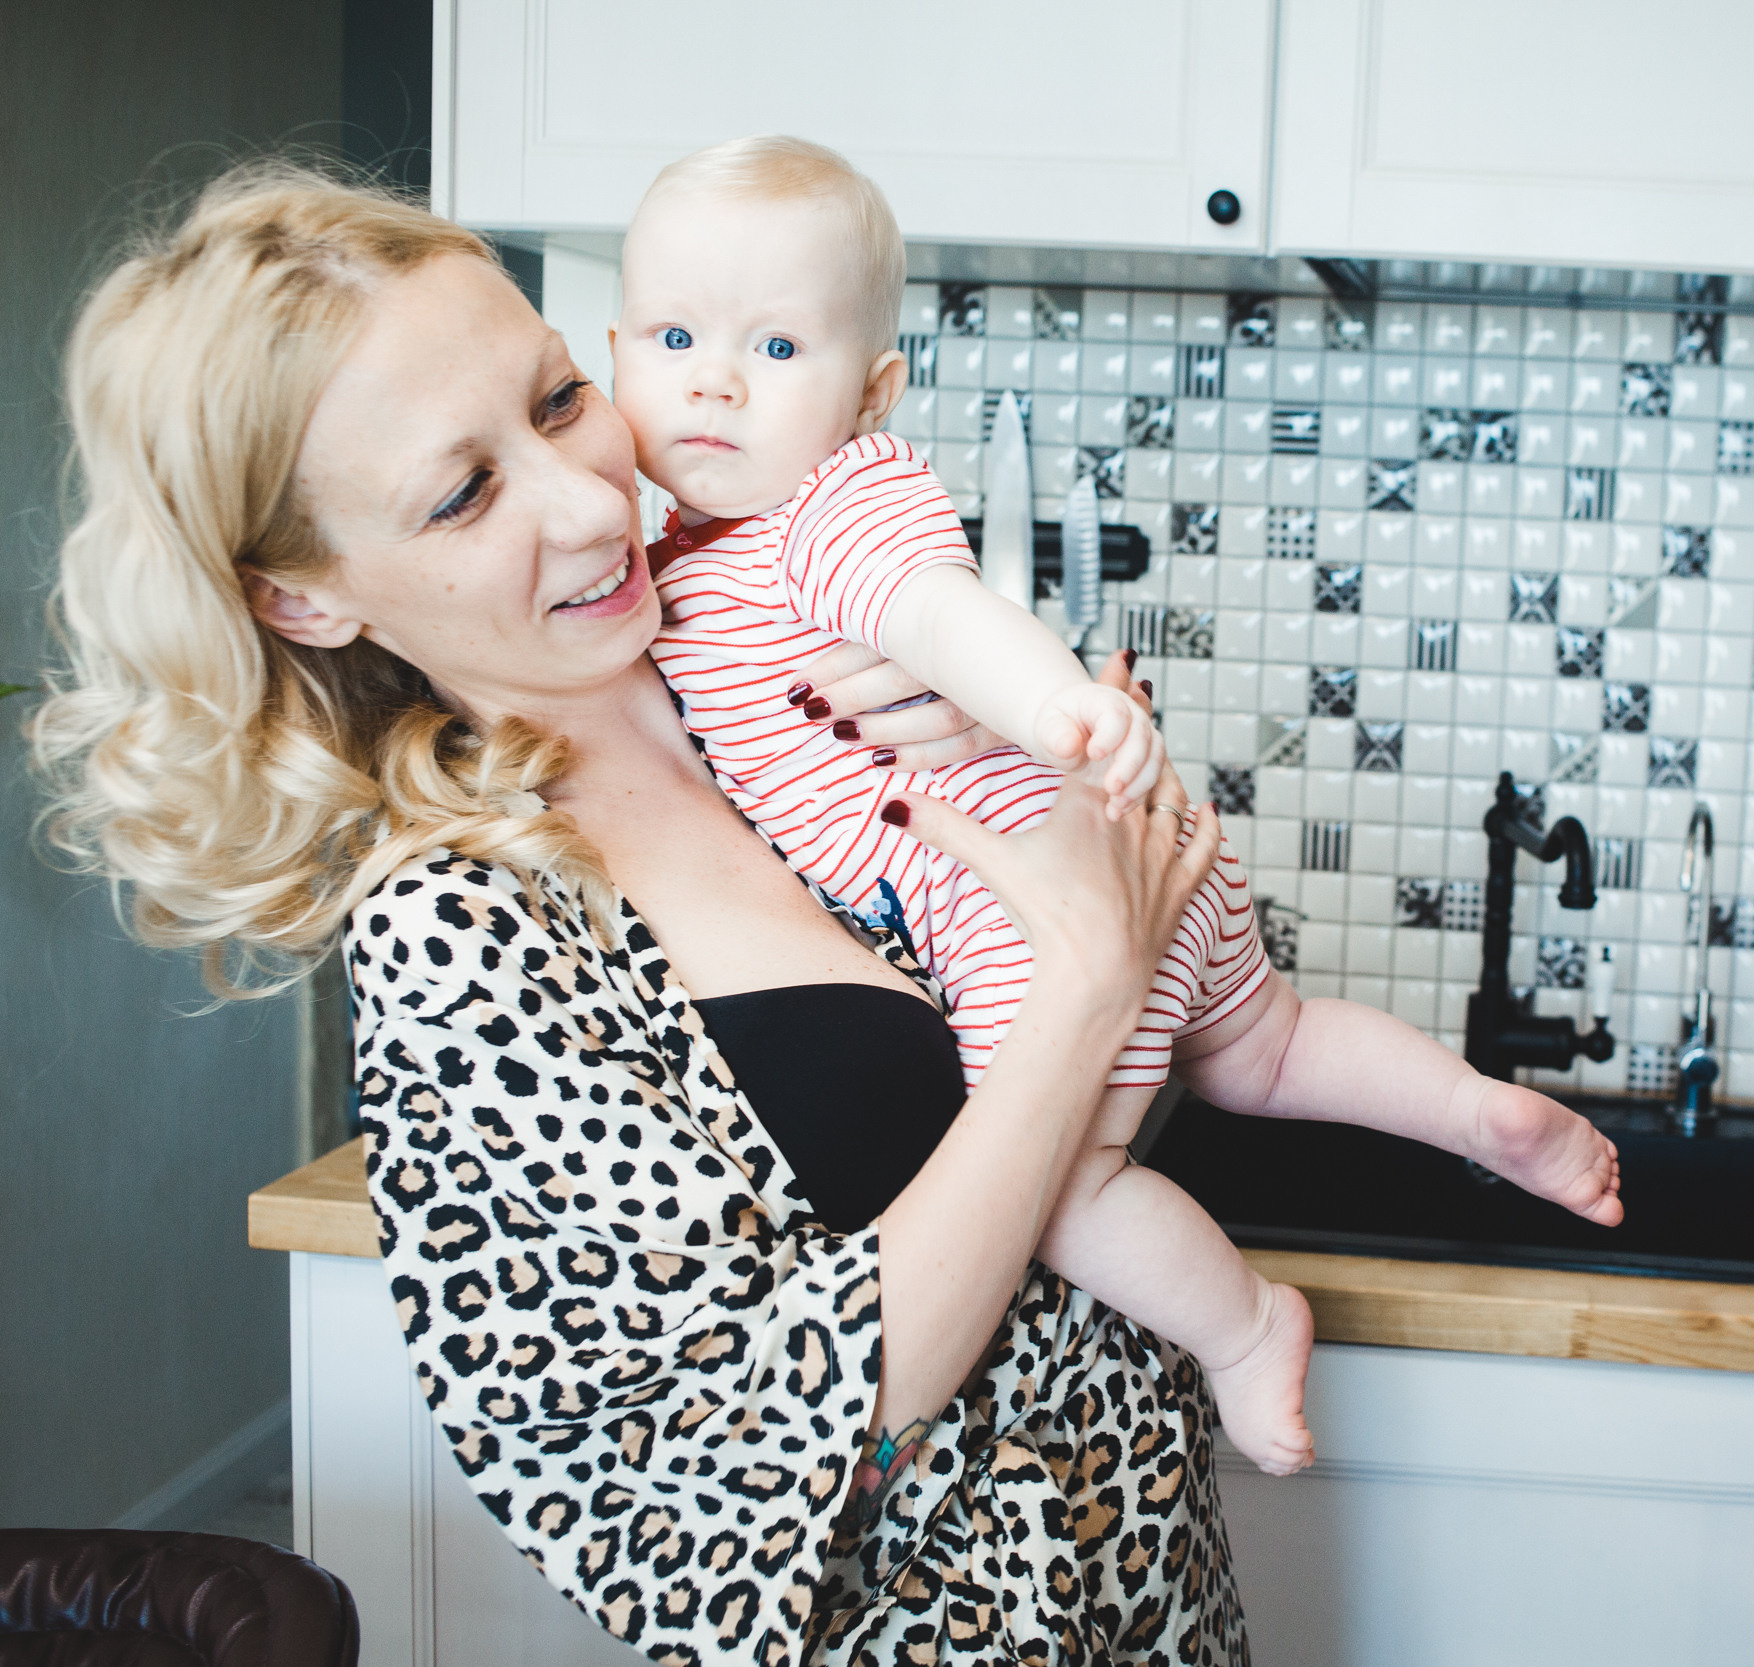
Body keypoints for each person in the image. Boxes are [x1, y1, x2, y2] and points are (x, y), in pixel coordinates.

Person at [36, 162, 1251, 1665]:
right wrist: (1080, 989)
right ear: (306, 598)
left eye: (556, 401)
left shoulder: (777, 660)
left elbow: (1140, 1053)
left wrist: (1072, 777)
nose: (592, 499)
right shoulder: (465, 934)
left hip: (1156, 1604)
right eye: (464, 492)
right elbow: (701, 1514)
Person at [617, 135, 1626, 1476]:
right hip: (1118, 853)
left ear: (872, 393)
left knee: (1054, 1188)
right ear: (615, 351)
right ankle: (1476, 1113)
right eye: (675, 336)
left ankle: (1247, 1329)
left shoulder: (823, 512)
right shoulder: (676, 559)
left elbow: (938, 611)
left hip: (1019, 906)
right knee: (1265, 1045)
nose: (716, 381)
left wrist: (1053, 711)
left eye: (777, 350)